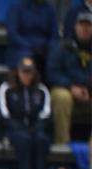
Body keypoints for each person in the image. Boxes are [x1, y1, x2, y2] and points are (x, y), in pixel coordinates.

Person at [0, 57, 53, 169]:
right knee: (24, 139)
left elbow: (46, 114)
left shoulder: (42, 89)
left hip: (35, 128)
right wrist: (19, 127)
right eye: (24, 72)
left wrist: (36, 127)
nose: (27, 76)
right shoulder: (6, 88)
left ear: (34, 73)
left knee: (42, 139)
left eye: (30, 72)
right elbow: (3, 114)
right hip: (14, 129)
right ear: (18, 72)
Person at [47, 13, 92, 146]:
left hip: (89, 94)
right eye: (81, 25)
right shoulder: (62, 47)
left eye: (88, 26)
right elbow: (52, 73)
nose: (84, 29)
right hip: (67, 90)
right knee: (62, 97)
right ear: (75, 27)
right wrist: (71, 87)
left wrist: (89, 90)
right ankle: (62, 144)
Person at [4, 0, 56, 71]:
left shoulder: (49, 9)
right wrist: (31, 46)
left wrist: (48, 47)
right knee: (28, 59)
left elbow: (54, 35)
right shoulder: (17, 7)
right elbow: (13, 34)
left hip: (44, 48)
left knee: (55, 58)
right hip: (21, 48)